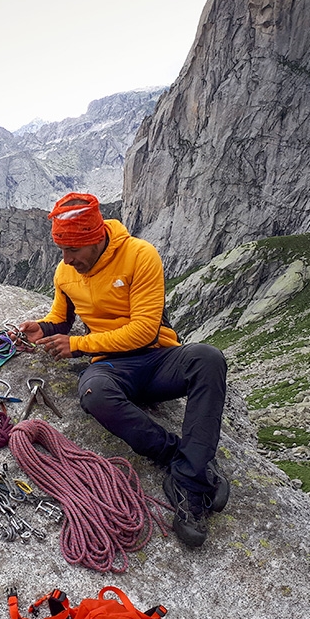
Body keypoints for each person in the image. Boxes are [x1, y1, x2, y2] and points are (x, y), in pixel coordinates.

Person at [17, 192, 229, 548]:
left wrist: (80, 345)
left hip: (157, 357)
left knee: (208, 359)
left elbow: (145, 329)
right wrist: (45, 328)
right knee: (94, 393)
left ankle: (188, 485)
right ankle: (181, 460)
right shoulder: (65, 272)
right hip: (113, 367)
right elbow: (61, 318)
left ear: (96, 238)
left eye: (74, 250)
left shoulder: (140, 256)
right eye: (62, 251)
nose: (67, 259)